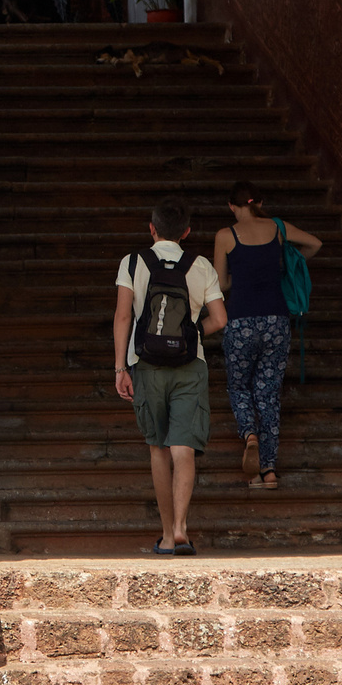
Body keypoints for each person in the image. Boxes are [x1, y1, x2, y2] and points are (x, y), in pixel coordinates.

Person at [112, 198, 228, 557]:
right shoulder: (201, 266)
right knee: (184, 447)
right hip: (189, 365)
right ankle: (181, 528)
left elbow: (122, 317)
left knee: (159, 448)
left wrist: (120, 367)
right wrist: (193, 334)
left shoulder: (132, 263)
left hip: (145, 364)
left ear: (152, 228)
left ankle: (165, 535)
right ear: (187, 232)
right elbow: (220, 319)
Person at [211, 181, 322, 489]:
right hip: (276, 320)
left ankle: (249, 435)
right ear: (259, 201)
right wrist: (287, 267)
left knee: (238, 386)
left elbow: (221, 284)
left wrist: (243, 276)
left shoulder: (225, 235)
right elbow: (315, 244)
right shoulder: (278, 227)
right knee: (269, 393)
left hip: (241, 321)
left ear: (231, 207)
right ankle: (269, 471)